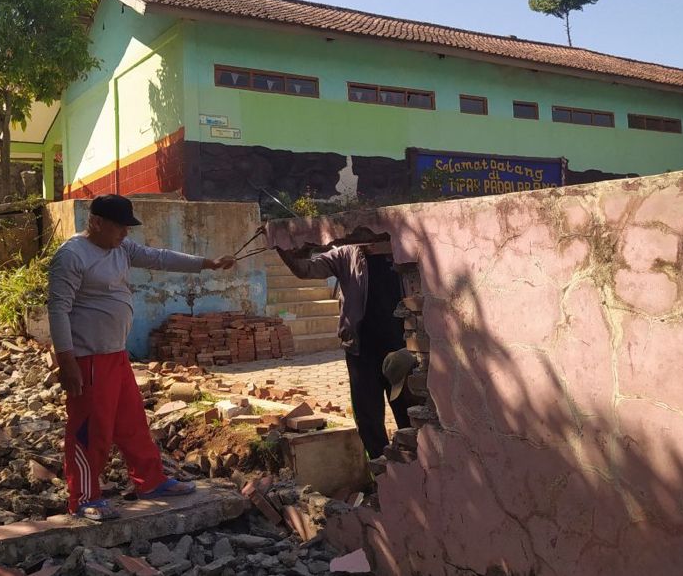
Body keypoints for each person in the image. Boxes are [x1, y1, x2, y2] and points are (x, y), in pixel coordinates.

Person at [47, 194, 236, 521]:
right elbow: (58, 309)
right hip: (88, 358)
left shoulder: (121, 248)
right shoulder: (72, 256)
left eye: (127, 228)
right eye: (119, 227)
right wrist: (67, 362)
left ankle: (151, 481)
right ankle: (84, 497)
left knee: (132, 422)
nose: (125, 233)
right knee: (91, 428)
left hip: (116, 354)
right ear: (96, 222)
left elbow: (159, 258)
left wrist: (208, 263)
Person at [276, 243, 412, 459]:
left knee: (409, 415)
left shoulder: (402, 249)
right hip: (361, 350)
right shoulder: (346, 255)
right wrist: (285, 246)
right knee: (368, 419)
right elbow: (306, 269)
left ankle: (417, 466)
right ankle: (381, 469)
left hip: (401, 351)